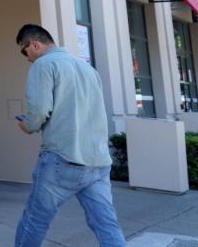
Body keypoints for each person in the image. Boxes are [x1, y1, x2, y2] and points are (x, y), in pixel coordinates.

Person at [13, 24, 125, 247]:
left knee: (34, 221)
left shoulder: (43, 65)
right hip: (98, 162)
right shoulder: (88, 69)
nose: (26, 58)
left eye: (24, 51)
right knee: (106, 224)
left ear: (34, 44)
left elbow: (38, 113)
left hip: (62, 159)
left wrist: (27, 125)